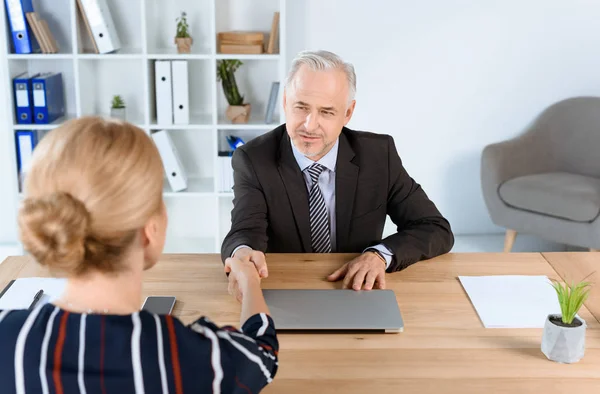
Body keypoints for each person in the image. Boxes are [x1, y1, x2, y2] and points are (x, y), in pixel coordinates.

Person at [0, 117, 278, 394]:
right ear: (150, 229)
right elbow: (262, 354)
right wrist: (249, 278)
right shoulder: (188, 358)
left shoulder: (8, 338)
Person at [221, 50, 454, 291]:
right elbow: (245, 230)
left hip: (356, 289)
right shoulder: (253, 159)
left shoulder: (378, 155)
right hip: (286, 287)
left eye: (326, 112)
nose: (309, 125)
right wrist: (243, 254)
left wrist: (379, 255)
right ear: (285, 102)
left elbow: (434, 228)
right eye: (301, 107)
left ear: (348, 113)